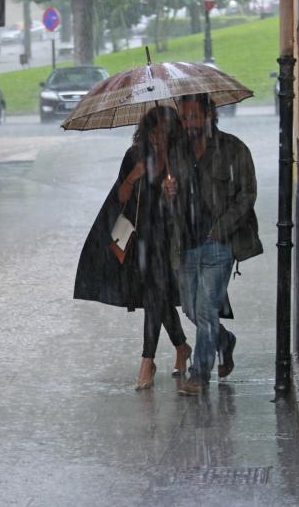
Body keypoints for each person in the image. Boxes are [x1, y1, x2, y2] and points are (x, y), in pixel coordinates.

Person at [74, 106, 192, 390]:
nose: (158, 137)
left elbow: (190, 202)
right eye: (154, 131)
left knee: (156, 296)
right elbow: (121, 196)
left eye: (164, 131)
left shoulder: (180, 159)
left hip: (170, 239)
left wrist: (174, 193)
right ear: (146, 131)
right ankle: (181, 346)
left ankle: (147, 362)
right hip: (142, 239)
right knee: (157, 297)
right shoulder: (134, 156)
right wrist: (133, 176)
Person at [163, 93, 263, 395]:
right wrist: (167, 193)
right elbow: (167, 206)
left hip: (219, 244)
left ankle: (200, 374)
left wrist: (221, 230)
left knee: (206, 309)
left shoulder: (233, 149)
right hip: (184, 244)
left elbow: (247, 194)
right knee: (192, 310)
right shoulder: (175, 153)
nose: (189, 123)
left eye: (194, 116)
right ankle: (224, 340)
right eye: (184, 117)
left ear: (210, 115)